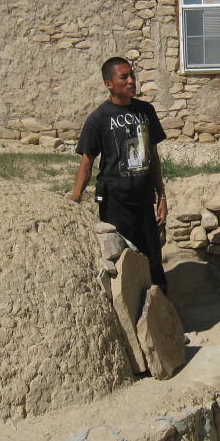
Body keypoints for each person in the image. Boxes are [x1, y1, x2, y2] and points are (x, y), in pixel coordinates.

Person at [70, 57, 168, 289]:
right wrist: (76, 197)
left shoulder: (146, 111)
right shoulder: (99, 118)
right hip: (115, 203)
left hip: (144, 201)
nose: (131, 81)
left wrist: (162, 196)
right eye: (124, 77)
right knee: (123, 261)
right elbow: (87, 162)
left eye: (132, 75)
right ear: (108, 84)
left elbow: (153, 156)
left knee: (153, 260)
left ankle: (162, 316)